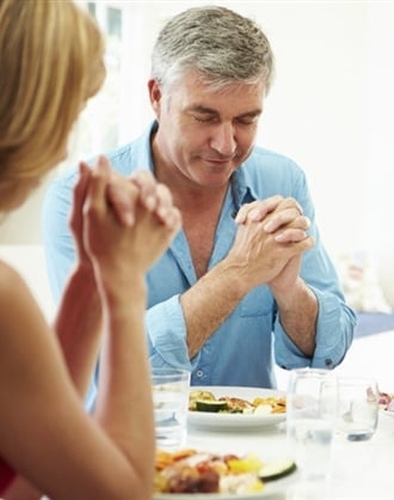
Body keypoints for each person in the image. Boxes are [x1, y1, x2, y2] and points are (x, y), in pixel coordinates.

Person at [0, 1, 181, 500]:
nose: (60, 150)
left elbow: (24, 477)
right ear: (11, 116)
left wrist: (93, 278)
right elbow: (122, 495)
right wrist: (124, 285)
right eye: (65, 116)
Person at [43, 5, 355, 405]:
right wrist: (238, 274)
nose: (226, 145)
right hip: (130, 454)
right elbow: (106, 366)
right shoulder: (81, 198)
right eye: (204, 117)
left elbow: (331, 347)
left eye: (246, 121)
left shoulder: (283, 181)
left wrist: (290, 290)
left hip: (251, 458)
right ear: (157, 96)